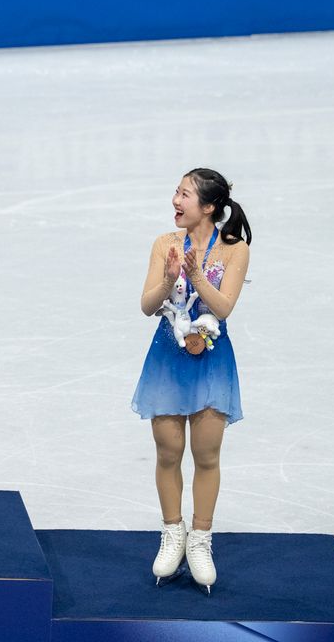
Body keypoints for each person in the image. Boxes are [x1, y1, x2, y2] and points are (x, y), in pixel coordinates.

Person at [132, 168, 251, 594]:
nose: (174, 201)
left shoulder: (235, 250)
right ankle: (172, 533)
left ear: (209, 207)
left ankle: (200, 539)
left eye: (184, 194)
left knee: (206, 454)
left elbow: (223, 308)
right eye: (176, 192)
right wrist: (169, 277)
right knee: (168, 452)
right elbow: (147, 306)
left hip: (212, 364)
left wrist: (197, 275)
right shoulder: (164, 244)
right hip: (167, 360)